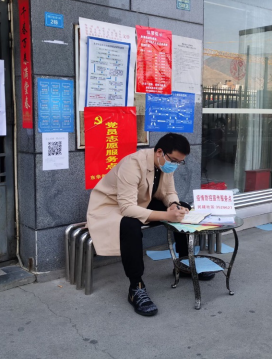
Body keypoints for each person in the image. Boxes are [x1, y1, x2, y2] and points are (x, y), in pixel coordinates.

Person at [86, 133, 214, 317]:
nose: (175, 165)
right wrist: (167, 215)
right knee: (130, 225)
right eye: (174, 160)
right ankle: (136, 287)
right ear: (159, 152)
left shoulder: (165, 163)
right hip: (112, 207)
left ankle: (184, 264)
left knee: (183, 208)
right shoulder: (132, 164)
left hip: (140, 202)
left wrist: (173, 205)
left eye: (180, 162)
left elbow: (169, 192)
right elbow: (127, 208)